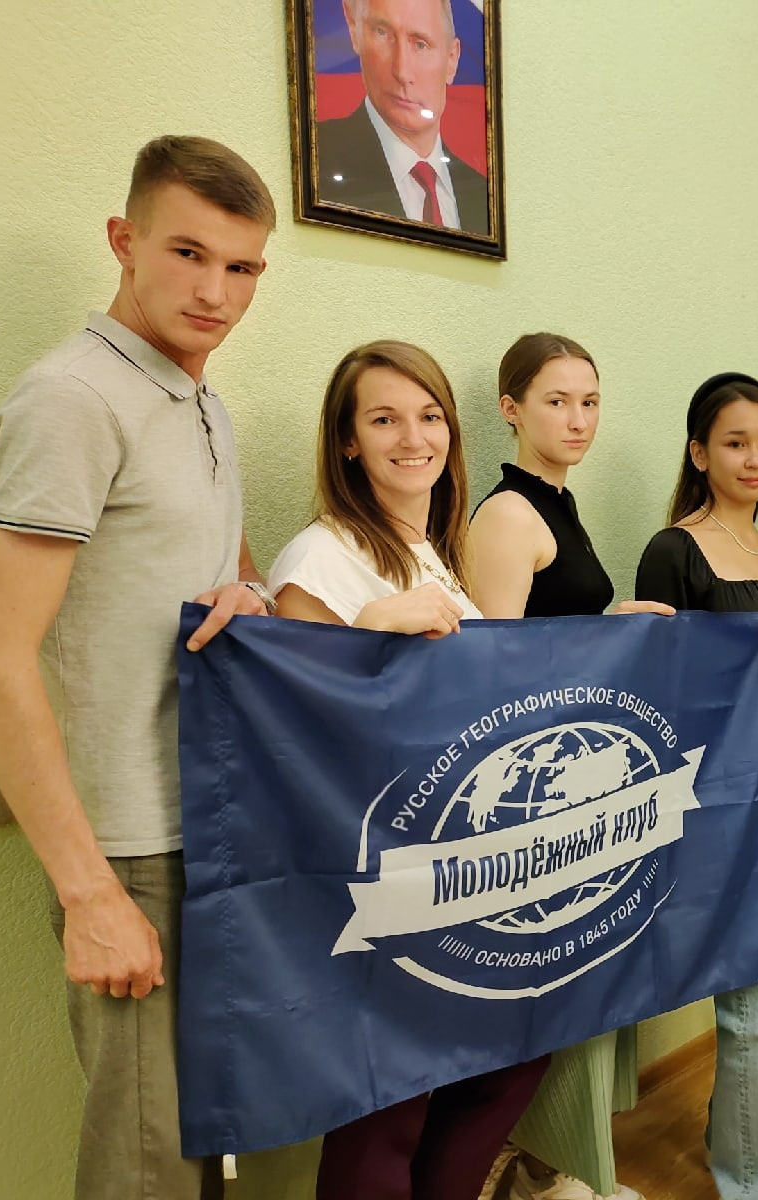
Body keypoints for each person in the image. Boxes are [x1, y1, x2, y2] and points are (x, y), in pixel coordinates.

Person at [0, 136, 278, 1200]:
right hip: (129, 849)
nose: (214, 291)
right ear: (123, 241)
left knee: (203, 1143)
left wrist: (251, 596)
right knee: (147, 1170)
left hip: (211, 823)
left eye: (241, 266)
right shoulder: (71, 398)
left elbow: (225, 577)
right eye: (187, 254)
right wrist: (90, 893)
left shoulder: (201, 400)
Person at [267, 341, 549, 1200]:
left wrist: (623, 636)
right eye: (384, 419)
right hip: (375, 871)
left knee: (512, 1056)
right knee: (387, 1103)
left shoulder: (434, 553)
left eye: (429, 417)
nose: (413, 437)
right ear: (347, 442)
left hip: (457, 862)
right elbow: (288, 724)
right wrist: (367, 632)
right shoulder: (317, 558)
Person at [467, 333, 663, 1200]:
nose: (578, 419)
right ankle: (534, 1169)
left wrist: (612, 625)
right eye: (557, 401)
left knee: (584, 984)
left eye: (590, 402)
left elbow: (554, 638)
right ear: (511, 409)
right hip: (535, 795)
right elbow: (496, 674)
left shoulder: (558, 502)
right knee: (552, 987)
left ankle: (558, 1169)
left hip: (576, 781)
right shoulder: (510, 514)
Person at [633, 373, 758, 1200]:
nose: (754, 458)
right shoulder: (673, 549)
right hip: (717, 777)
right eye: (735, 443)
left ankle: (746, 1144)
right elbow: (654, 688)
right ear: (699, 453)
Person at [317, 0, 490, 233]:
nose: (401, 71)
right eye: (382, 33)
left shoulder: (481, 194)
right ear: (354, 31)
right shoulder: (318, 156)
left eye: (420, 45)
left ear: (452, 59)